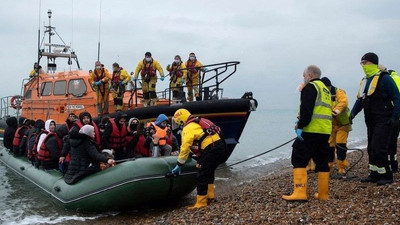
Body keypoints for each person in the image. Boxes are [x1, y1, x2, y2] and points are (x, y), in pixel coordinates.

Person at [282, 65, 332, 201]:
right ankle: (323, 194)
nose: (304, 78)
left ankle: (299, 192)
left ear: (309, 75)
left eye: (304, 76)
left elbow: (307, 110)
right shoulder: (325, 90)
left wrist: (300, 125)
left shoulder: (310, 87)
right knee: (322, 161)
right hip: (325, 131)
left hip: (311, 130)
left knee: (298, 157)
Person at [351, 53, 400, 186]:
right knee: (371, 147)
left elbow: (397, 97)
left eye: (365, 62)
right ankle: (374, 173)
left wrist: (395, 117)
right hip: (370, 120)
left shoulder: (385, 79)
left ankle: (386, 175)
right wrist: (352, 115)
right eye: (361, 63)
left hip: (384, 119)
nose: (363, 66)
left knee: (379, 147)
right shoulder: (364, 81)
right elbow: (360, 101)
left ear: (373, 63)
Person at [171, 109, 226, 209]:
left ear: (181, 120)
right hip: (220, 146)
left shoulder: (188, 128)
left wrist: (179, 164)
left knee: (202, 175)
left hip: (211, 148)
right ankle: (210, 195)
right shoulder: (200, 121)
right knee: (209, 171)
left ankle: (201, 202)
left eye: (177, 121)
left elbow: (185, 146)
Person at [320, 77, 352, 175]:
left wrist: (335, 111)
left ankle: (341, 166)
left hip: (343, 124)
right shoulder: (322, 95)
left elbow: (344, 102)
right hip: (330, 125)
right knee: (329, 146)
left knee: (340, 144)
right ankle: (329, 166)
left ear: (328, 86)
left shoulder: (339, 92)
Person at [379, 66, 400, 173]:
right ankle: (394, 166)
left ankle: (389, 166)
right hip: (398, 118)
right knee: (393, 143)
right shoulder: (398, 78)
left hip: (391, 116)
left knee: (387, 143)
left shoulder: (388, 80)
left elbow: (394, 98)